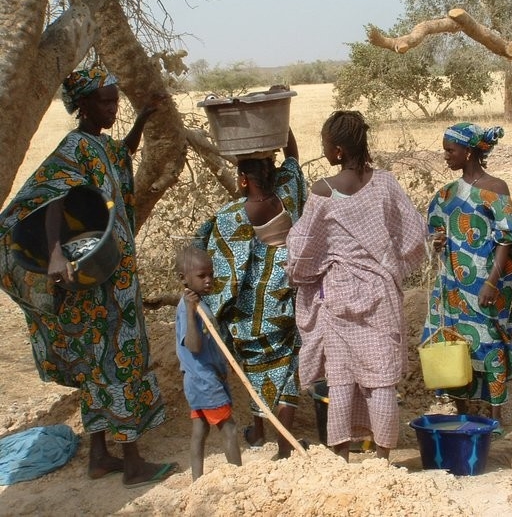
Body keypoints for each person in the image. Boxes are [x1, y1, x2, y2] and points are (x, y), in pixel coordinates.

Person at [0, 67, 177, 487]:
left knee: (98, 365)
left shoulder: (100, 145)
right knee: (121, 360)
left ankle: (99, 456)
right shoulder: (74, 147)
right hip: (99, 283)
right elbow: (53, 198)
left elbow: (122, 155)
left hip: (111, 276)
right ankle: (133, 462)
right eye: (105, 101)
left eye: (115, 100)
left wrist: (143, 118)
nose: (112, 108)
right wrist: (57, 254)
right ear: (81, 105)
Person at [285, 110, 427, 462]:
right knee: (381, 380)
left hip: (339, 296)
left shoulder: (322, 192)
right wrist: (390, 262)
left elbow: (303, 251)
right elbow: (413, 237)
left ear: (336, 151)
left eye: (324, 146)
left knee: (341, 379)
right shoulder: (386, 184)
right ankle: (383, 457)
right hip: (382, 293)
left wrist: (305, 271)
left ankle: (341, 457)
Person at [197, 125, 307, 460]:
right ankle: (282, 443)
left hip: (249, 312)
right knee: (286, 369)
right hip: (285, 301)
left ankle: (259, 432)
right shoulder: (288, 193)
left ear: (243, 179)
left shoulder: (231, 217)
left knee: (254, 369)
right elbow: (293, 157)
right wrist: (281, 123)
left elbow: (209, 257)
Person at [422, 122, 512, 436]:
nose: (445, 156)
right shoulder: (445, 195)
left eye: (450, 150)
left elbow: (506, 239)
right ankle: (463, 414)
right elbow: (434, 232)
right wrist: (437, 242)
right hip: (453, 285)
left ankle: (496, 420)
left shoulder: (495, 189)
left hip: (484, 284)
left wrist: (492, 282)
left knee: (490, 345)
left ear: (468, 151)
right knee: (457, 347)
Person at [175, 245, 241, 480]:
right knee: (230, 429)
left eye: (210, 274)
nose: (208, 280)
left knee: (200, 431)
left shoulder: (199, 303)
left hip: (203, 378)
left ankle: (197, 481)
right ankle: (237, 480)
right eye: (201, 276)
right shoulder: (188, 309)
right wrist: (192, 313)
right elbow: (193, 346)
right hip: (204, 380)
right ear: (183, 278)